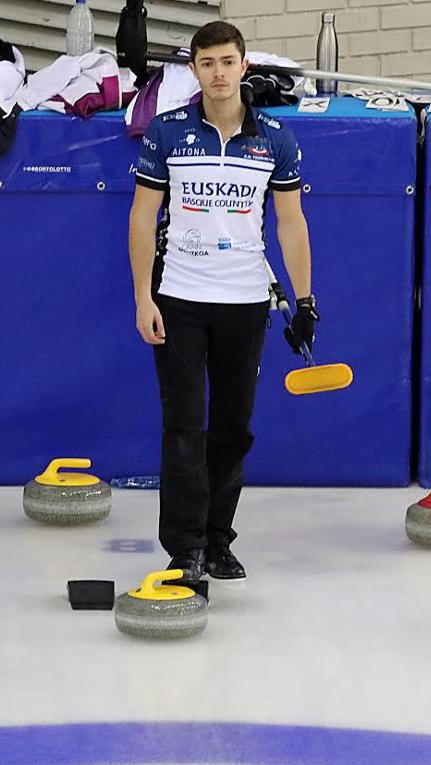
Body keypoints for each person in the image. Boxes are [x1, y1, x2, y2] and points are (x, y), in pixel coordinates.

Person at [128, 21, 315, 584]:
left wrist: (304, 299)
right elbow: (142, 216)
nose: (218, 72)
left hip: (246, 302)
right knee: (183, 427)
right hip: (179, 298)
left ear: (243, 67)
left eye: (227, 61)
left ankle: (218, 539)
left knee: (233, 427)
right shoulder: (166, 133)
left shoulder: (275, 138)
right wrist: (143, 296)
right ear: (195, 70)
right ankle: (184, 548)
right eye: (206, 63)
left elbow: (291, 223)